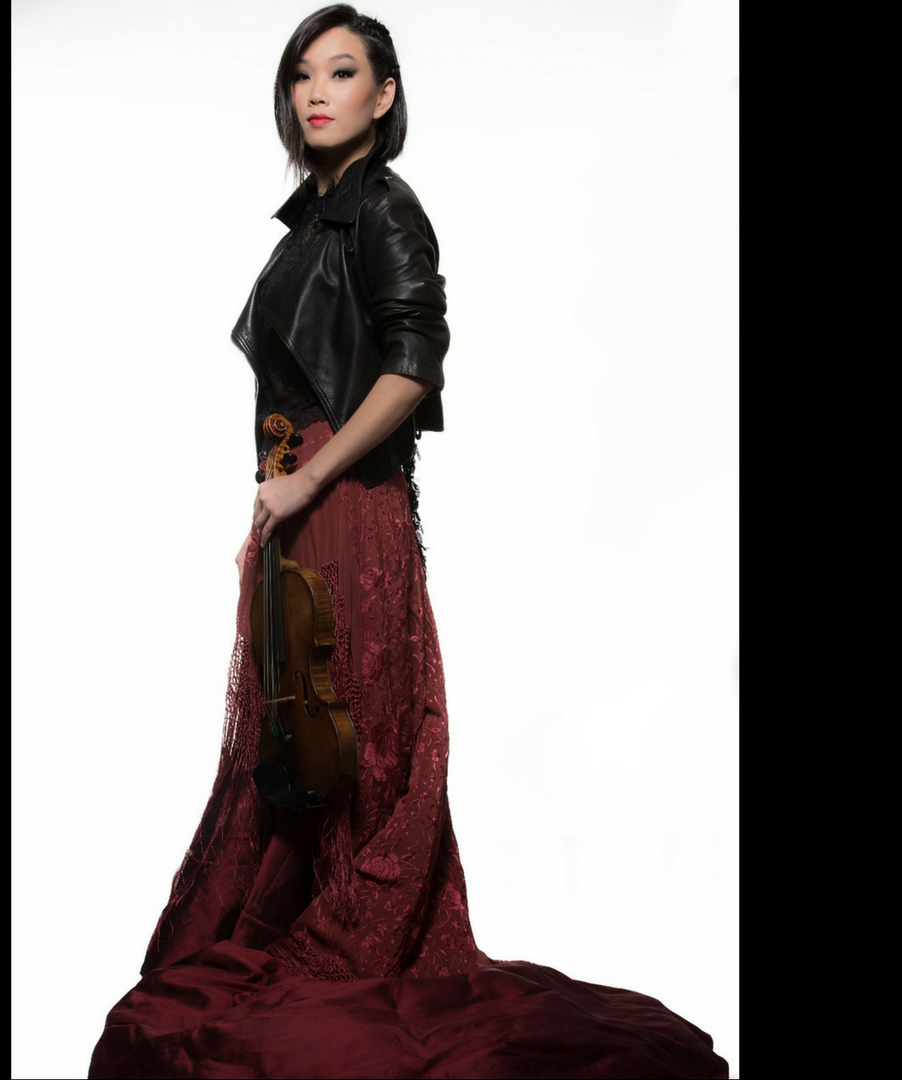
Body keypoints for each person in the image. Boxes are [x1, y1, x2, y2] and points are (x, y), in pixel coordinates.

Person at [88, 6, 728, 1078]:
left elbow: (413, 369)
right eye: (301, 74)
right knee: (302, 730)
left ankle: (361, 935)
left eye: (342, 72)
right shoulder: (310, 223)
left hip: (346, 497)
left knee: (360, 730)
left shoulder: (384, 208)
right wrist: (270, 503)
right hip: (301, 496)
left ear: (385, 95)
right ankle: (299, 912)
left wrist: (308, 481)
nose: (316, 91)